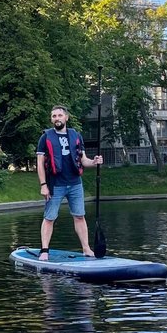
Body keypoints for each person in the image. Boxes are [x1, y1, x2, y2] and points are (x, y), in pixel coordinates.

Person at [36, 104, 104, 259]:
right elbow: (39, 163)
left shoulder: (76, 136)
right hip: (55, 185)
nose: (57, 118)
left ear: (66, 117)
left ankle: (86, 249)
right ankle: (44, 251)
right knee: (50, 217)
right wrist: (43, 185)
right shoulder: (45, 137)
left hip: (75, 183)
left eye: (59, 115)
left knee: (79, 216)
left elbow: (83, 160)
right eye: (54, 116)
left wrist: (94, 162)